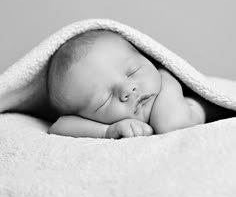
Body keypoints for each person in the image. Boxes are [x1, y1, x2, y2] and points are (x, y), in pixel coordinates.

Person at [47, 30, 235, 138]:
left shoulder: (168, 85)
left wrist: (167, 76)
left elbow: (171, 125)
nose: (128, 89)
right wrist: (107, 131)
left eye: (133, 72)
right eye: (104, 100)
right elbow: (58, 126)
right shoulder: (101, 123)